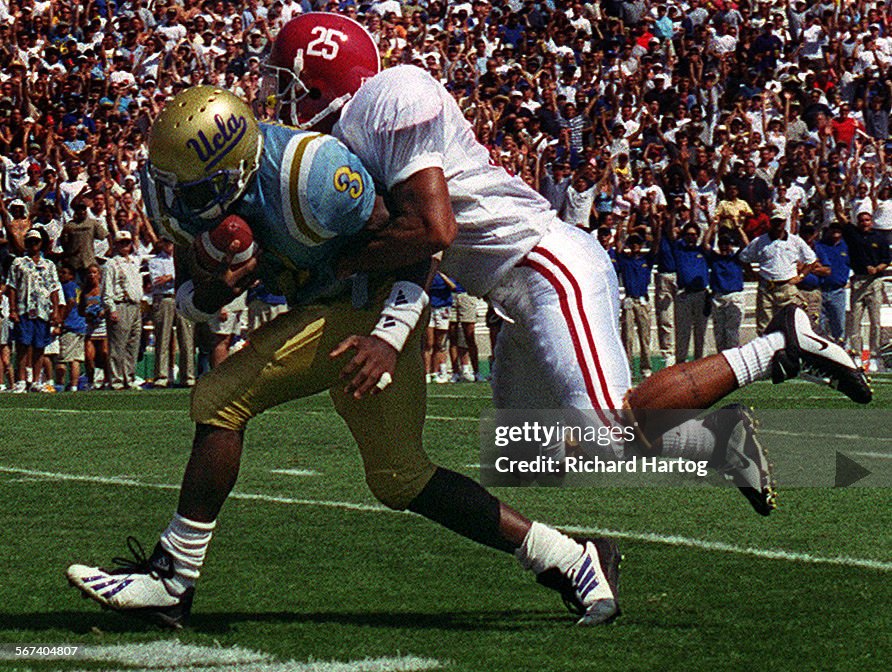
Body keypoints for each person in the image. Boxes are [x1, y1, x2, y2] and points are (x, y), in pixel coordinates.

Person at [264, 13, 870, 521]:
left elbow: (433, 229)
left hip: (544, 264)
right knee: (533, 449)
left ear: (319, 78)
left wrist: (343, 263)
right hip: (515, 294)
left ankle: (778, 345)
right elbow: (422, 245)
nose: (280, 96)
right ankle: (720, 447)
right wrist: (387, 328)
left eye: (287, 81)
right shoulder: (357, 137)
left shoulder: (388, 97)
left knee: (610, 425)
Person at [67, 87, 623, 629]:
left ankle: (171, 580)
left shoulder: (311, 175)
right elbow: (195, 299)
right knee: (399, 478)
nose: (177, 202)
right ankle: (570, 558)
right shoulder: (187, 192)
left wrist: (389, 333)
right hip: (333, 310)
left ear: (234, 172)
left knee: (220, 398)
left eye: (193, 190)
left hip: (372, 309)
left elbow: (418, 241)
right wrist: (218, 283)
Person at [738, 217, 819, 335]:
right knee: (764, 326)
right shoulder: (759, 241)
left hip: (787, 287)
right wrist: (752, 275)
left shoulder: (795, 241)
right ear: (771, 222)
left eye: (780, 221)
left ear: (785, 222)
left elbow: (811, 260)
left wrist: (800, 276)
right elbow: (744, 258)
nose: (778, 224)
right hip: (766, 287)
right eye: (775, 221)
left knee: (791, 324)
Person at [6, 228, 60, 393]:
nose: (33, 244)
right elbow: (12, 286)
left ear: (41, 243)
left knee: (39, 346)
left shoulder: (48, 264)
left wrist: (56, 310)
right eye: (29, 241)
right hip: (24, 308)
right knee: (23, 345)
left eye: (36, 241)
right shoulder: (18, 263)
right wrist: (13, 309)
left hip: (42, 309)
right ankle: (22, 379)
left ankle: (37, 380)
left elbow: (54, 288)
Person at [148, 237, 195, 387]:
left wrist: (170, 277)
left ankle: (188, 376)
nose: (169, 245)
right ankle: (161, 376)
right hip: (165, 298)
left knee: (186, 338)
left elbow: (189, 277)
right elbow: (157, 281)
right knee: (163, 338)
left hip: (181, 297)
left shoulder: (185, 259)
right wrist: (173, 277)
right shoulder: (155, 261)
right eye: (166, 242)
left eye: (171, 242)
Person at [102, 230, 144, 390]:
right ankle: (117, 379)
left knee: (133, 344)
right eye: (122, 243)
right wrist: (111, 308)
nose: (125, 245)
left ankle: (129, 377)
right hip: (120, 304)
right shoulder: (111, 264)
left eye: (127, 242)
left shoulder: (134, 261)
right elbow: (107, 289)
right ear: (116, 244)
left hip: (135, 305)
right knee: (118, 344)